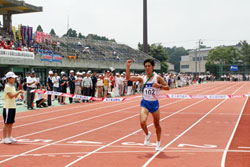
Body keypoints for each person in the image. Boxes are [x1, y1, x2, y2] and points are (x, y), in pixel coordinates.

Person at [126, 59, 169, 152]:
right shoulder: (142, 78)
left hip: (154, 103)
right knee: (142, 122)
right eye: (146, 66)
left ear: (153, 67)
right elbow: (128, 77)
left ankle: (158, 143)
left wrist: (159, 86)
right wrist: (128, 66)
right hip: (145, 102)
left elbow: (167, 87)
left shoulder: (157, 78)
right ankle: (147, 134)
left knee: (157, 124)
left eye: (149, 66)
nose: (147, 68)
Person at [2, 72, 23, 144]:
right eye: (13, 78)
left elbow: (15, 96)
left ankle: (9, 136)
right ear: (9, 78)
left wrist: (18, 93)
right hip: (8, 107)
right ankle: (4, 138)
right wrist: (18, 92)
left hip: (13, 106)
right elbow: (11, 96)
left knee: (11, 123)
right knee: (6, 123)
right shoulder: (7, 86)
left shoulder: (13, 86)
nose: (14, 79)